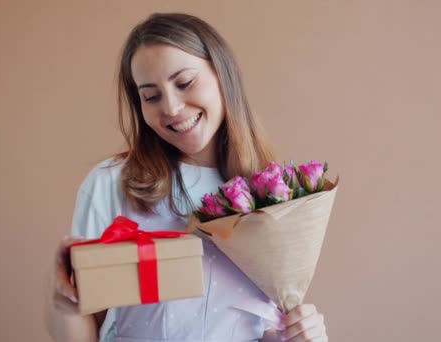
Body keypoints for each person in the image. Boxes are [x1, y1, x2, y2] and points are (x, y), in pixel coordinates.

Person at [44, 12, 328, 342]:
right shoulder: (112, 183)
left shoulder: (272, 194)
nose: (173, 108)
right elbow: (81, 329)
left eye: (184, 83)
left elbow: (261, 328)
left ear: (222, 75)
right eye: (151, 96)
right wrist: (65, 303)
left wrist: (300, 333)